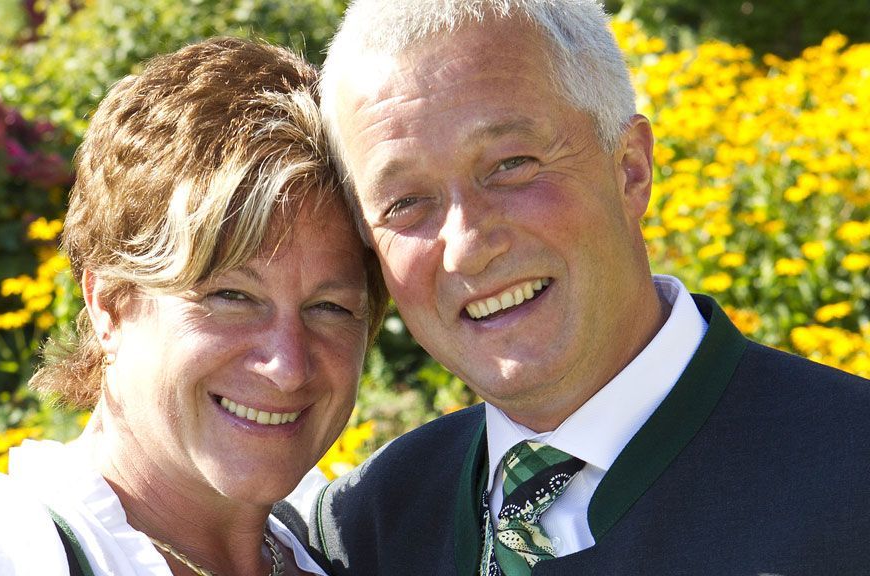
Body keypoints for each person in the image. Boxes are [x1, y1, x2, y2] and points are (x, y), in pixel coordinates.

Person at [307, 1, 870, 574]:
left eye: (511, 164)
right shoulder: (368, 529)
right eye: (405, 202)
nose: (467, 246)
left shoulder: (853, 475)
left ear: (631, 168)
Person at [0, 37, 387, 576]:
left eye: (330, 308)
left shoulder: (356, 544)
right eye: (232, 297)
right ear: (108, 305)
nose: (288, 367)